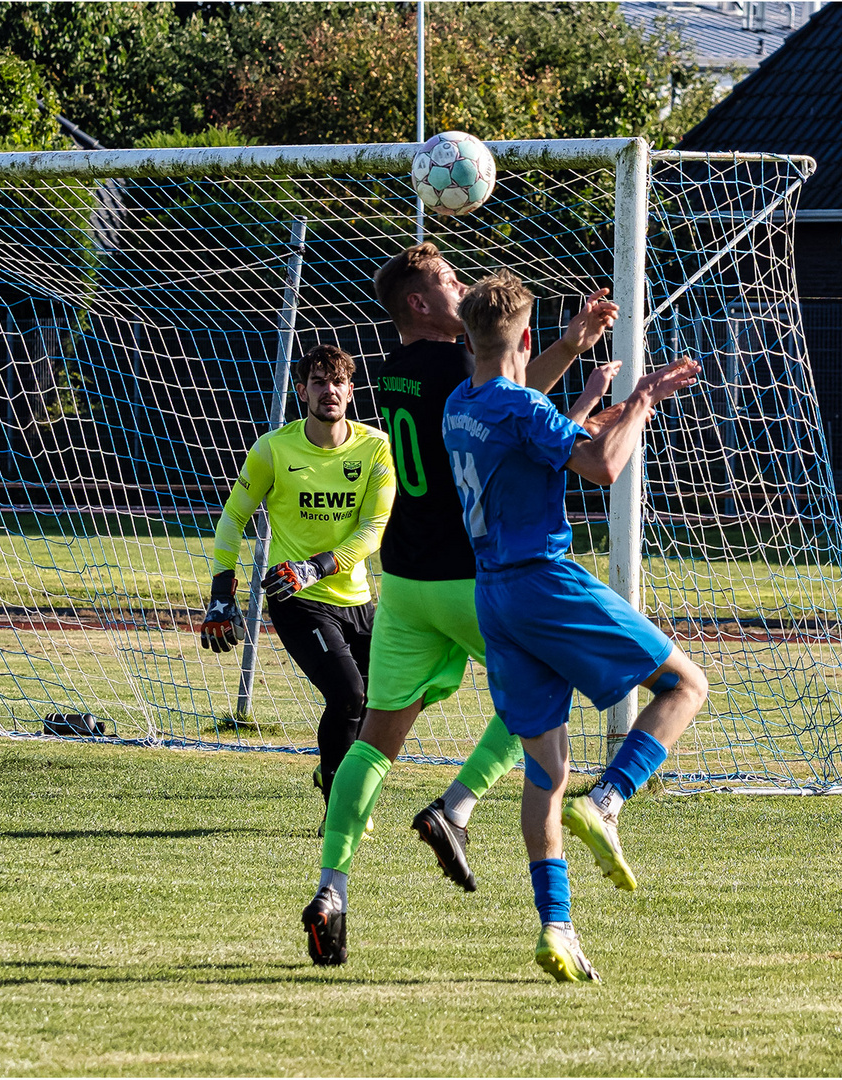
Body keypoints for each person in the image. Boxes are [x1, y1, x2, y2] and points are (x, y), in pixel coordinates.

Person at [300, 242, 619, 967]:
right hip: (468, 577)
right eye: (448, 279)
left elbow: (505, 392)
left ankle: (332, 888)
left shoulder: (398, 369)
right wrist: (572, 347)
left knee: (375, 740)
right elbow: (511, 398)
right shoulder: (451, 366)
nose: (462, 284)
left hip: (406, 583)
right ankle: (457, 805)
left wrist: (567, 348)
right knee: (538, 698)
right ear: (419, 301)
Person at [441, 271, 708, 984]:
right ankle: (612, 800)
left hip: (493, 596)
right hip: (544, 583)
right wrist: (644, 401)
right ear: (524, 338)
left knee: (545, 771)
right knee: (685, 685)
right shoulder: (524, 409)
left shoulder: (459, 405)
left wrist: (580, 372)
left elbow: (530, 412)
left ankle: (556, 928)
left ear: (470, 339)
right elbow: (600, 466)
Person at [200, 344, 394, 832]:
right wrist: (222, 594)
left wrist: (320, 565)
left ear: (351, 391)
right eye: (319, 381)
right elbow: (231, 521)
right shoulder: (273, 449)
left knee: (378, 704)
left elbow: (375, 526)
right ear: (302, 390)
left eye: (338, 382)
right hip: (295, 599)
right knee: (348, 695)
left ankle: (332, 770)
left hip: (356, 598)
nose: (329, 390)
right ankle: (338, 799)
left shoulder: (375, 447)